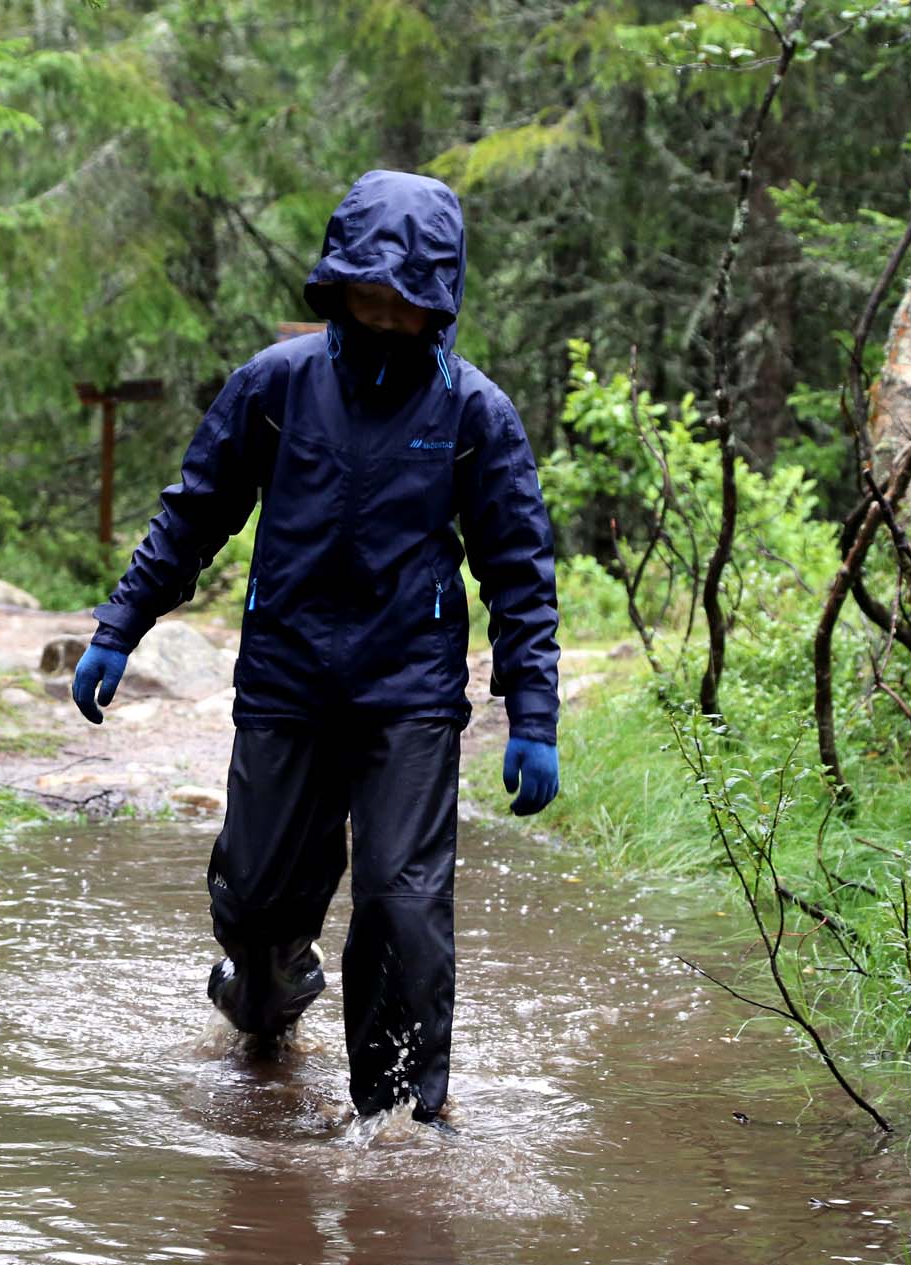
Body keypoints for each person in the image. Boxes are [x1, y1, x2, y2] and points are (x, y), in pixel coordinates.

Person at [69, 170, 561, 1126]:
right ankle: (268, 1001)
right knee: (253, 902)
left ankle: (399, 1119)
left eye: (403, 301)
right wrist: (120, 626)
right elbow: (195, 513)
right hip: (287, 682)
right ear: (335, 287)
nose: (381, 315)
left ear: (437, 303)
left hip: (408, 695)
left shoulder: (473, 413)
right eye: (364, 294)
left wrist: (531, 714)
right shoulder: (275, 387)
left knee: (403, 906)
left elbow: (519, 571)